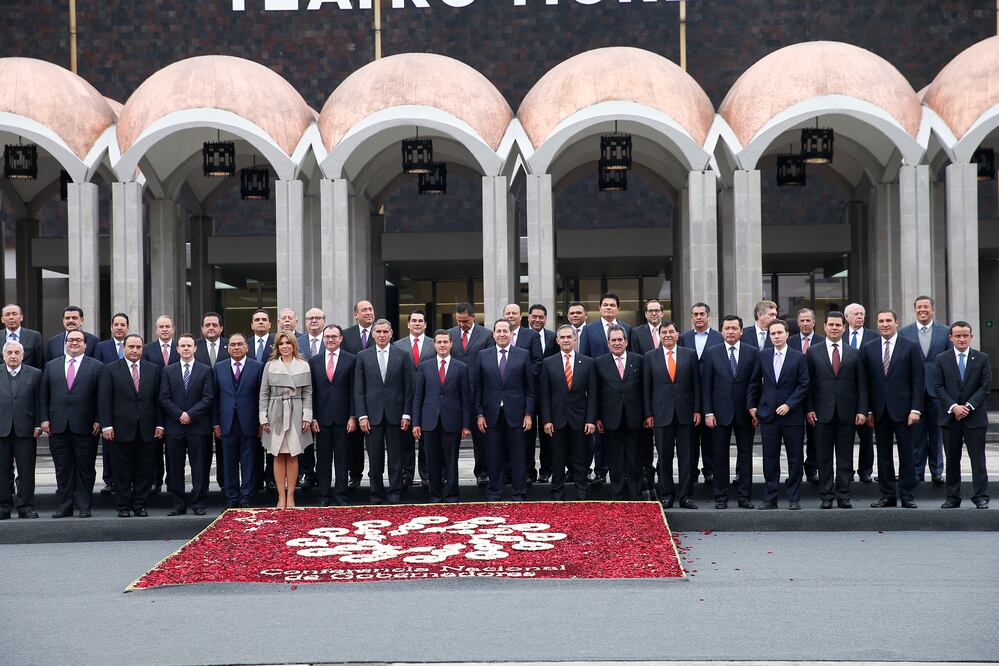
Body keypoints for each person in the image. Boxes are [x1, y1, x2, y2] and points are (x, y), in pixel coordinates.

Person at [805, 312, 868, 509]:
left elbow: (861, 386)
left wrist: (862, 411)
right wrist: (809, 409)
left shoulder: (853, 353)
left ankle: (844, 495)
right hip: (821, 413)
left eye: (838, 325)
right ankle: (826, 496)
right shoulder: (813, 352)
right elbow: (807, 384)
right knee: (823, 457)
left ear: (844, 327)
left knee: (845, 456)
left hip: (847, 413)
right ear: (824, 327)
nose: (834, 328)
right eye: (831, 325)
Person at [862, 309, 923, 508]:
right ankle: (887, 494)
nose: (885, 324)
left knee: (907, 454)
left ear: (897, 323)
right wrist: (868, 410)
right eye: (881, 321)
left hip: (905, 411)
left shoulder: (911, 347)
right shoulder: (868, 348)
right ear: (877, 324)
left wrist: (916, 408)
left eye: (889, 320)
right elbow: (865, 383)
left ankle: (907, 495)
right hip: (879, 411)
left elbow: (917, 380)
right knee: (884, 455)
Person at [99, 334, 165, 517]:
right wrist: (106, 426)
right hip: (119, 429)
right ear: (124, 348)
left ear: (142, 349)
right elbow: (104, 400)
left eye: (138, 347)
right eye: (131, 347)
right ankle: (123, 506)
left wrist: (160, 424)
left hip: (147, 429)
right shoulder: (110, 369)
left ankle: (139, 505)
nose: (135, 350)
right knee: (121, 470)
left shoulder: (153, 370)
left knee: (144, 469)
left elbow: (158, 400)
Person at [39, 330, 103, 518]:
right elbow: (43, 395)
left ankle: (84, 505)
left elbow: (102, 397)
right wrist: (44, 419)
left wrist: (99, 419)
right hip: (57, 426)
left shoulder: (97, 367)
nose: (74, 342)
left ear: (86, 344)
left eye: (78, 340)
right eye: (71, 339)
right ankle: (64, 506)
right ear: (65, 343)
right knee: (62, 468)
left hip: (86, 426)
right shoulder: (51, 366)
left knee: (85, 468)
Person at [748, 319, 810, 510]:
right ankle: (770, 497)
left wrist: (789, 405)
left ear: (787, 334)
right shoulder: (763, 355)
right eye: (772, 334)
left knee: (795, 458)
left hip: (792, 416)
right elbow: (754, 383)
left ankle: (793, 498)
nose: (776, 336)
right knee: (770, 458)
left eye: (779, 333)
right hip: (768, 416)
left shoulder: (798, 357)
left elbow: (804, 384)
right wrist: (752, 406)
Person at [474, 318, 534, 502]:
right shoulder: (483, 355)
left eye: (505, 331)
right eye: (498, 331)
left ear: (510, 334)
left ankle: (518, 492)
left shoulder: (522, 354)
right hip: (491, 414)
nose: (501, 334)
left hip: (516, 414)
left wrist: (528, 414)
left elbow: (530, 388)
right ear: (493, 334)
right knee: (493, 455)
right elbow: (477, 388)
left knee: (518, 455)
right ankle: (495, 491)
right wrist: (479, 414)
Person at [701, 315, 758, 509]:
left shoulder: (752, 352)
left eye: (734, 328)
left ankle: (744, 497)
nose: (731, 332)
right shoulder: (711, 353)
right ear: (722, 331)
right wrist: (708, 412)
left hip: (745, 413)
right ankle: (721, 497)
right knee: (719, 456)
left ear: (741, 331)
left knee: (745, 456)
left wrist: (754, 409)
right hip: (718, 413)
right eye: (727, 328)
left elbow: (755, 384)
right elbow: (706, 386)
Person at [354, 319, 413, 504]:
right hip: (372, 416)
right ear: (372, 334)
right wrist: (361, 415)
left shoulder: (402, 355)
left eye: (385, 332)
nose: (381, 335)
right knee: (375, 458)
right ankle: (376, 494)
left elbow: (408, 386)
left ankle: (395, 493)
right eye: (378, 332)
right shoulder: (363, 356)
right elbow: (359, 388)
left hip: (396, 415)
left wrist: (406, 413)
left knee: (395, 458)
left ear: (391, 333)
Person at [643, 320, 701, 509]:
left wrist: (697, 409)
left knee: (686, 457)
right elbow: (646, 388)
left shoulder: (690, 355)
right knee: (664, 457)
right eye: (664, 332)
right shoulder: (650, 356)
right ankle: (666, 494)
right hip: (661, 414)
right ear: (659, 336)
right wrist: (648, 414)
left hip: (686, 413)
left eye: (671, 332)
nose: (667, 335)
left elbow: (696, 385)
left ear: (678, 334)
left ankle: (685, 496)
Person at [934, 321, 991, 509]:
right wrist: (953, 407)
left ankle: (981, 496)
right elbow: (938, 386)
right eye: (957, 335)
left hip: (974, 417)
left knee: (978, 459)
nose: (961, 339)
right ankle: (952, 497)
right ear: (951, 338)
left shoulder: (982, 358)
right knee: (952, 459)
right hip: (950, 417)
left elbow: (985, 387)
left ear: (971, 337)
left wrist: (967, 406)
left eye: (965, 335)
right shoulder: (942, 359)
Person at [412, 329, 472, 503]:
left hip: (452, 421)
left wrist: (466, 425)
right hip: (429, 421)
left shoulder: (461, 367)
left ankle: (453, 495)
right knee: (432, 460)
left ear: (451, 344)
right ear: (434, 344)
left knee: (451, 460)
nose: (443, 345)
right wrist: (416, 422)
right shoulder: (424, 366)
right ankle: (435, 495)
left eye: (446, 342)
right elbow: (418, 396)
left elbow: (465, 398)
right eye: (439, 342)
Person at [578, 293, 631, 486]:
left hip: (623, 389)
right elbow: (583, 358)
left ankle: (624, 471)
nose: (609, 308)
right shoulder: (589, 330)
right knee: (600, 436)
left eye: (612, 305)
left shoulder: (627, 329)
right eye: (605, 305)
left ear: (618, 309)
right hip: (599, 387)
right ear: (600, 308)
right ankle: (601, 471)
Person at [159, 334, 215, 516]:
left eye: (189, 345)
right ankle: (178, 504)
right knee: (175, 468)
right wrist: (180, 415)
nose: (185, 348)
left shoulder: (205, 370)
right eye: (182, 345)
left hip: (198, 426)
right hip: (175, 427)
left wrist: (190, 414)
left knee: (199, 467)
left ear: (195, 348)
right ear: (177, 349)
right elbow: (164, 398)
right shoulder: (168, 371)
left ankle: (199, 503)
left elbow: (208, 398)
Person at [540, 324, 596, 500]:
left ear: (575, 339)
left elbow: (593, 394)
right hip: (556, 420)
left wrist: (591, 420)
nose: (565, 340)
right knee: (557, 459)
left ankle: (581, 492)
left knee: (581, 458)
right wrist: (546, 420)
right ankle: (557, 493)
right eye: (562, 337)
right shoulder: (548, 363)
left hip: (580, 419)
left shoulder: (587, 362)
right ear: (557, 340)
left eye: (569, 337)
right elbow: (544, 395)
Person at [898, 295, 950, 485]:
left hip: (938, 391)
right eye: (919, 307)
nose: (922, 310)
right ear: (914, 310)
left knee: (937, 433)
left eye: (926, 307)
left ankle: (937, 471)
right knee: (917, 434)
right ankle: (917, 471)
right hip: (914, 392)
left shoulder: (945, 332)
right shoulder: (904, 333)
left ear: (933, 310)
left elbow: (949, 362)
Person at [259, 331, 313, 509]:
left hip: (296, 411)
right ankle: (281, 496)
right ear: (277, 346)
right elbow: (264, 393)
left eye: (287, 343)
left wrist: (307, 416)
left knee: (292, 455)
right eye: (281, 344)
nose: (284, 346)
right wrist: (263, 417)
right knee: (278, 454)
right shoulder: (270, 365)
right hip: (275, 412)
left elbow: (308, 393)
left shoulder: (303, 365)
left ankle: (291, 496)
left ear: (293, 345)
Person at [212, 333, 263, 508]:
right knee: (228, 461)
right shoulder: (218, 367)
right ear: (228, 348)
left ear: (247, 347)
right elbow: (215, 397)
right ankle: (231, 497)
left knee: (249, 461)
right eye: (232, 344)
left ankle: (246, 497)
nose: (236, 347)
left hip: (249, 422)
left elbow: (260, 397)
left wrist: (260, 422)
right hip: (226, 422)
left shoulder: (258, 367)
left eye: (240, 344)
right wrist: (215, 422)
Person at [308, 324, 357, 506]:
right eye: (327, 336)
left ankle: (341, 495)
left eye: (334, 336)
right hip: (321, 419)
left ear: (341, 338)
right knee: (323, 459)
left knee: (343, 459)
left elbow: (355, 390)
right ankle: (323, 495)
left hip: (344, 419)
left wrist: (353, 416)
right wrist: (312, 416)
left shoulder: (351, 360)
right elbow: (311, 392)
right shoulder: (314, 361)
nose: (330, 340)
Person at [594, 325, 645, 500]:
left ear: (626, 342)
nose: (617, 343)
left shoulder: (639, 360)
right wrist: (597, 417)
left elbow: (644, 390)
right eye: (613, 340)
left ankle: (635, 493)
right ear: (608, 343)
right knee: (614, 458)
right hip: (610, 418)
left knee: (634, 457)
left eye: (620, 340)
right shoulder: (599, 362)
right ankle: (617, 493)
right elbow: (596, 393)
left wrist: (647, 415)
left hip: (635, 418)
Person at [448, 302, 493, 488]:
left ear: (473, 317)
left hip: (478, 394)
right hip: (454, 394)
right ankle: (447, 474)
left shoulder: (486, 335)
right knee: (449, 438)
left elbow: (490, 362)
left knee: (481, 438)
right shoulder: (449, 334)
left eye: (465, 321)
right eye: (458, 321)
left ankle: (482, 472)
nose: (461, 325)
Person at [679, 302, 724, 487]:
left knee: (709, 437)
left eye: (702, 314)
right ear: (691, 317)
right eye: (695, 314)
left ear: (708, 316)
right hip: (688, 394)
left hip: (712, 393)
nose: (698, 317)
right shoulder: (683, 338)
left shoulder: (719, 337)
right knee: (689, 439)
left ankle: (710, 471)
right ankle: (691, 473)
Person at [0, 341, 42, 519]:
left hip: (26, 429)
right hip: (1, 429)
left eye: (17, 352)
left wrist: (39, 424)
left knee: (26, 471)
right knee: (2, 471)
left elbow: (40, 400)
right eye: (9, 352)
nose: (13, 355)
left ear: (23, 355)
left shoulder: (35, 374)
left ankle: (26, 506)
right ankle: (3, 507)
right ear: (3, 355)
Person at [394, 309, 435, 488]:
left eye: (420, 321)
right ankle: (406, 474)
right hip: (404, 398)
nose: (417, 323)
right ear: (408, 324)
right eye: (414, 321)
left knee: (427, 439)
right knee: (405, 439)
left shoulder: (434, 344)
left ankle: (426, 474)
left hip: (428, 398)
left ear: (425, 325)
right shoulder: (397, 345)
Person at [141, 314, 179, 495]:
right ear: (156, 330)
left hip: (176, 405)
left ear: (173, 329)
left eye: (167, 326)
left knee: (173, 449)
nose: (164, 329)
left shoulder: (181, 348)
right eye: (161, 327)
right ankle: (156, 481)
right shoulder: (147, 350)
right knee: (154, 449)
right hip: (153, 404)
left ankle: (173, 481)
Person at [629, 299, 664, 492]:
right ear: (645, 314)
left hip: (665, 392)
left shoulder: (669, 330)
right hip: (645, 390)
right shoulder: (636, 333)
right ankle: (647, 472)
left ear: (662, 312)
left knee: (664, 440)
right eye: (650, 311)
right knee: (645, 439)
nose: (654, 314)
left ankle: (663, 472)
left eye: (657, 310)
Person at [94, 312, 131, 496]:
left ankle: (126, 481)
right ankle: (109, 481)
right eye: (116, 324)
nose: (119, 327)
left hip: (128, 404)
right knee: (109, 447)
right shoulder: (102, 347)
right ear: (111, 327)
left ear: (127, 328)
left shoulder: (135, 346)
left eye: (122, 324)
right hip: (109, 401)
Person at [340, 300, 376, 488]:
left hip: (376, 396)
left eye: (371, 309)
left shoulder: (381, 332)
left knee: (374, 441)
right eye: (364, 310)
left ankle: (375, 475)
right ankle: (355, 474)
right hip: (353, 393)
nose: (369, 312)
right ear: (356, 314)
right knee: (353, 442)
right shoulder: (346, 336)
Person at [787, 308, 825, 484]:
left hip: (816, 397)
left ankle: (812, 468)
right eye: (801, 320)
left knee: (814, 436)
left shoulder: (822, 342)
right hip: (792, 396)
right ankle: (794, 471)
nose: (804, 324)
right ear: (797, 322)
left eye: (808, 320)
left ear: (814, 322)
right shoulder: (789, 341)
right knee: (793, 437)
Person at [194, 311, 229, 490]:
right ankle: (202, 487)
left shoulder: (230, 346)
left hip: (224, 407)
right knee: (202, 451)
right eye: (207, 325)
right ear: (202, 328)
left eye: (214, 325)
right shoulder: (194, 347)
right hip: (199, 408)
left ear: (221, 328)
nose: (211, 328)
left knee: (224, 449)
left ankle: (225, 484)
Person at [844, 302, 878, 483]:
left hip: (866, 395)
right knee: (845, 437)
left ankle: (865, 470)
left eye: (862, 314)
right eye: (855, 314)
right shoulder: (839, 337)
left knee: (866, 436)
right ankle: (846, 470)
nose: (859, 317)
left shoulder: (874, 337)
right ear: (846, 318)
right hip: (845, 396)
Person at [527, 303, 557, 483]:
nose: (537, 320)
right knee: (528, 435)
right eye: (534, 316)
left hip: (549, 394)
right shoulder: (521, 336)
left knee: (547, 434)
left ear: (546, 318)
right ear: (528, 317)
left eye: (541, 317)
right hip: (529, 393)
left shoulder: (553, 338)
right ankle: (529, 471)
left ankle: (546, 470)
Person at [296, 308, 326, 490]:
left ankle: (323, 474)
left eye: (317, 318)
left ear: (324, 320)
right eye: (310, 318)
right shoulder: (297, 343)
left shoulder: (332, 341)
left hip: (326, 399)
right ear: (305, 322)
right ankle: (307, 473)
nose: (313, 321)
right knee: (305, 441)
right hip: (302, 399)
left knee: (324, 442)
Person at [249, 309, 276, 489]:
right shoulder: (245, 344)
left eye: (264, 320)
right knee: (254, 444)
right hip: (249, 401)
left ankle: (271, 478)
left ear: (270, 324)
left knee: (272, 443)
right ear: (251, 325)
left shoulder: (277, 343)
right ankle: (256, 479)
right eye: (257, 320)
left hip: (273, 400)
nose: (260, 322)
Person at [3, 303, 44, 369]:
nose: (11, 317)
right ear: (2, 319)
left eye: (14, 314)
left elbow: (40, 363)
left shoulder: (34, 336)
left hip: (28, 377)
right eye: (7, 314)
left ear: (21, 317)